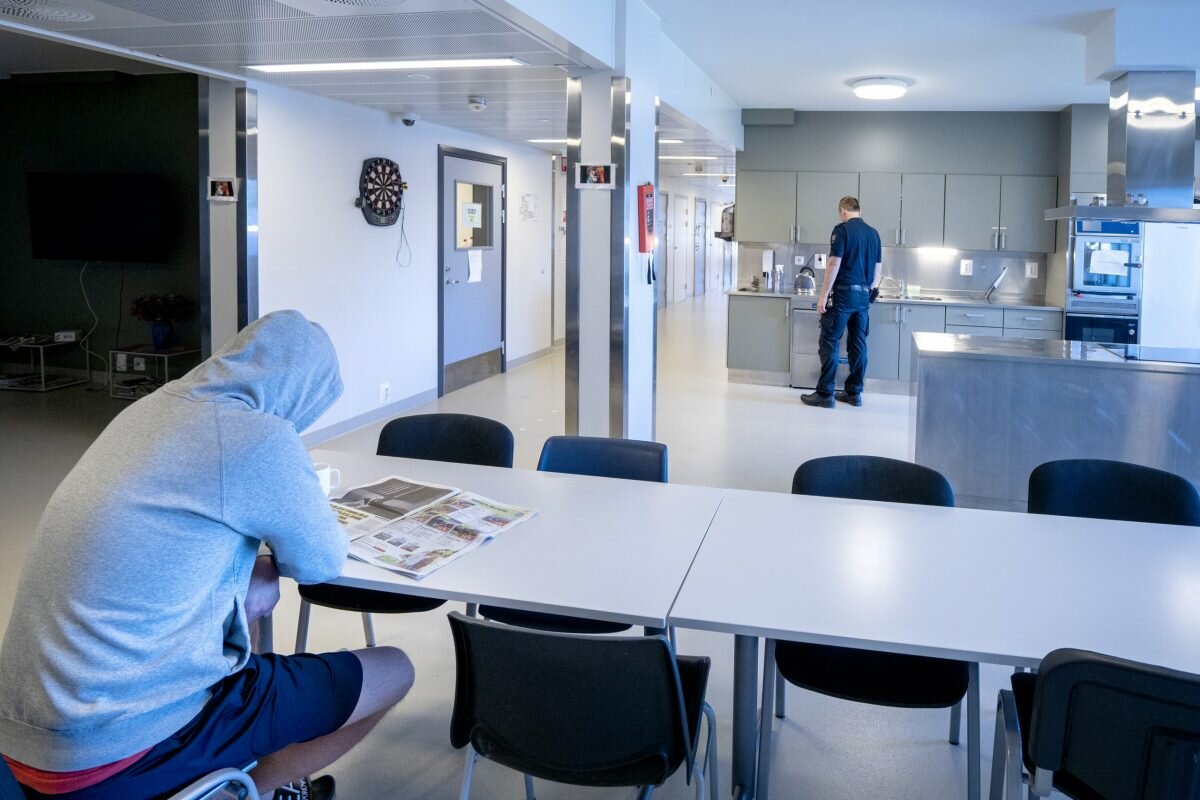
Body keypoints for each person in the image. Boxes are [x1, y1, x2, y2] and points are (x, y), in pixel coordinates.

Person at [0, 311, 413, 800]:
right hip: (115, 745)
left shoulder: (148, 409)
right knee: (396, 669)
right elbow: (319, 563)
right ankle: (251, 791)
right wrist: (269, 564)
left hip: (24, 728)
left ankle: (238, 761)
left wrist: (252, 574)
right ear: (304, 392)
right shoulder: (256, 436)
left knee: (252, 604)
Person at [801, 196, 883, 409]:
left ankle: (825, 393)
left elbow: (833, 264)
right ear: (859, 210)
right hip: (864, 298)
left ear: (843, 211)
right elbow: (877, 270)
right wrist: (869, 292)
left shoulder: (842, 230)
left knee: (829, 341)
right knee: (858, 345)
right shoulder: (874, 234)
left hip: (844, 296)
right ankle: (854, 393)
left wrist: (823, 295)